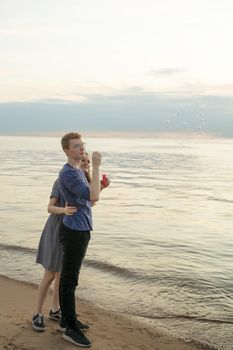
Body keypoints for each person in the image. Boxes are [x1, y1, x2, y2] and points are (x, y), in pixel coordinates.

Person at [32, 153, 93, 332]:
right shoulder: (62, 180)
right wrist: (63, 210)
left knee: (62, 274)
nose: (86, 164)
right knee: (50, 272)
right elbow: (49, 207)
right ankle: (37, 313)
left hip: (72, 229)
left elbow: (87, 204)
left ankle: (55, 309)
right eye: (83, 160)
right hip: (57, 227)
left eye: (88, 161)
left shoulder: (83, 183)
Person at [58, 132, 102, 348]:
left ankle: (67, 319)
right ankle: (69, 328)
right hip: (74, 231)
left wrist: (97, 181)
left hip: (81, 228)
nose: (81, 148)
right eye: (76, 146)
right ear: (67, 150)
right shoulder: (68, 174)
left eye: (82, 144)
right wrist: (96, 165)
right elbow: (93, 197)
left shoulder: (77, 171)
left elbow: (90, 200)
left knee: (70, 277)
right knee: (70, 279)